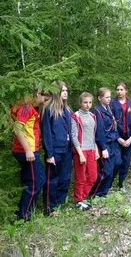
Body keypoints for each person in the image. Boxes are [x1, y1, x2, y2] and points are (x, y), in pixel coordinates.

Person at [10, 87, 50, 220]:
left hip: (28, 150)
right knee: (36, 181)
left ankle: (19, 212)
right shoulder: (26, 106)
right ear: (38, 94)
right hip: (27, 151)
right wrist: (28, 150)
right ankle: (24, 215)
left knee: (31, 180)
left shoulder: (28, 106)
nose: (44, 103)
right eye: (44, 99)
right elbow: (18, 129)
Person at [41, 81, 73, 216]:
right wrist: (49, 154)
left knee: (65, 178)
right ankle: (50, 207)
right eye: (63, 90)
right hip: (55, 151)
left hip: (67, 150)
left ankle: (59, 204)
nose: (65, 93)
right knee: (52, 180)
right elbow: (46, 133)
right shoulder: (49, 109)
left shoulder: (67, 110)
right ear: (56, 92)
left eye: (66, 90)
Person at [90, 87, 124, 198]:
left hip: (114, 143)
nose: (109, 99)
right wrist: (103, 148)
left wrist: (118, 139)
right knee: (106, 171)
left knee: (118, 164)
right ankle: (96, 194)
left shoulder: (108, 109)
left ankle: (106, 189)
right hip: (105, 144)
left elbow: (113, 128)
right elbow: (99, 132)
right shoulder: (98, 111)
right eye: (106, 97)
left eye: (110, 97)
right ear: (100, 98)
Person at [71, 92, 99, 210]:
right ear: (80, 103)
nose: (87, 105)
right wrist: (80, 153)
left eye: (90, 102)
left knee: (93, 176)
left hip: (91, 150)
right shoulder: (75, 116)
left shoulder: (93, 116)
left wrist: (96, 149)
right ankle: (79, 200)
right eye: (85, 102)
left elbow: (93, 134)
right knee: (80, 177)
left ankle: (82, 197)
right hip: (80, 151)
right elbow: (74, 136)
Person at [110, 82, 131, 194]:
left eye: (122, 89)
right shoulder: (112, 104)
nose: (119, 92)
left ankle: (121, 184)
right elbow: (110, 124)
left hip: (129, 138)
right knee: (116, 162)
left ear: (126, 90)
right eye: (117, 89)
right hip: (117, 138)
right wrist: (118, 138)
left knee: (125, 162)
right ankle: (109, 184)